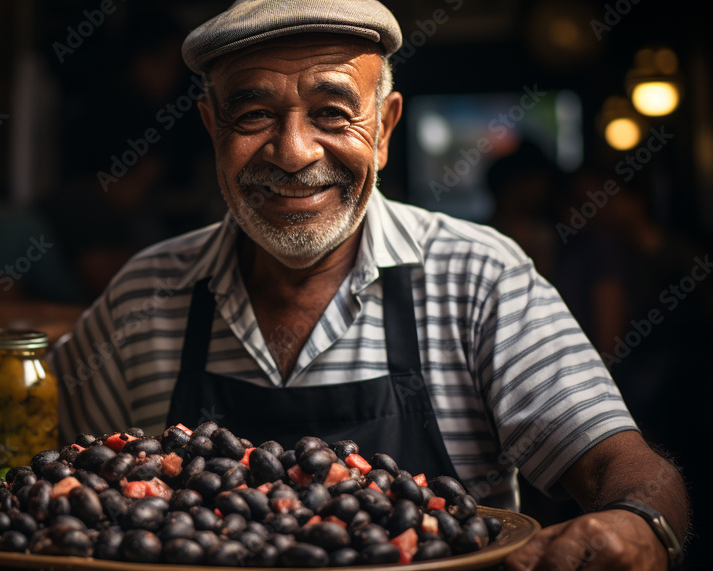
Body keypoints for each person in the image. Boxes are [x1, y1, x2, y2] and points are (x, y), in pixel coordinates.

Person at [47, 1, 689, 568]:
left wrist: (638, 522)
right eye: (254, 116)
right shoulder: (143, 298)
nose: (294, 151)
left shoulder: (480, 279)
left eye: (332, 113)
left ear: (383, 129)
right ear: (213, 130)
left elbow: (620, 462)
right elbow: (53, 476)